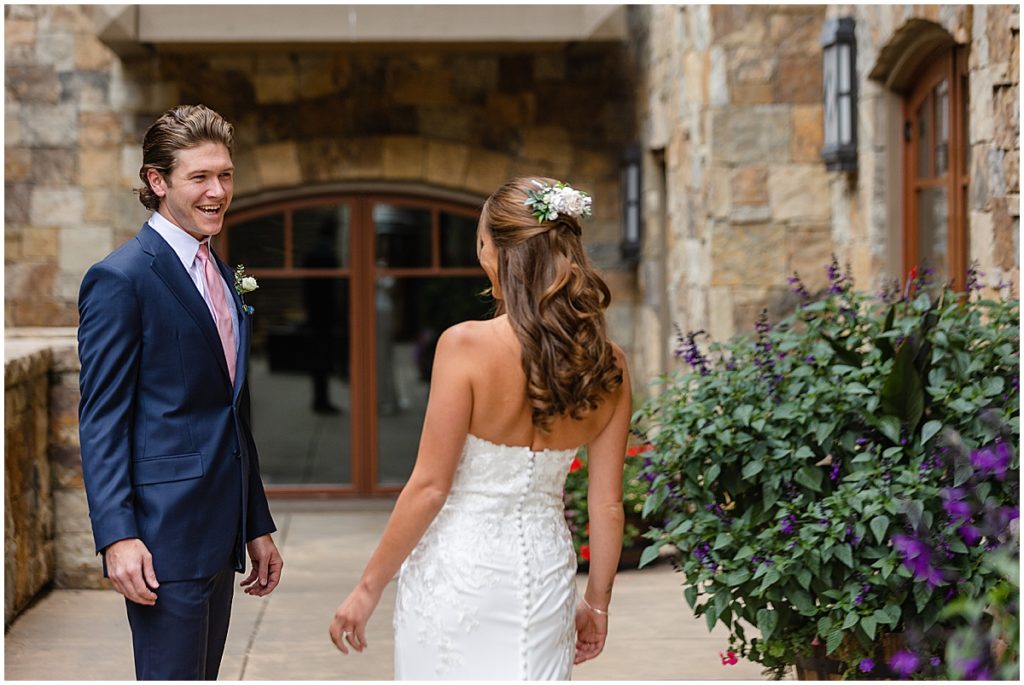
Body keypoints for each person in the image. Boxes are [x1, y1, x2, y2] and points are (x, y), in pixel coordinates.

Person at [329, 177, 630, 679]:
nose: (480, 256)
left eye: (482, 243)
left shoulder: (464, 346)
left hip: (459, 573)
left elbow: (429, 487)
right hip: (546, 577)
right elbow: (607, 506)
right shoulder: (608, 364)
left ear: (504, 253)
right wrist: (597, 605)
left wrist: (367, 589)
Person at [78, 104, 283, 680]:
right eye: (199, 177)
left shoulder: (216, 268)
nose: (218, 191)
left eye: (225, 175)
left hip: (222, 532)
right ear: (157, 181)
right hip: (164, 537)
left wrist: (256, 523)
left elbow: (231, 411)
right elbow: (102, 421)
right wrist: (118, 537)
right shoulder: (122, 279)